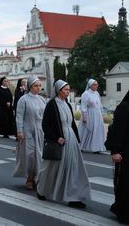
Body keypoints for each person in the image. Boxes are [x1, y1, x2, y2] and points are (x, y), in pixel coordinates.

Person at [37, 80, 90, 208]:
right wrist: (56, 138)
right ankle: (41, 190)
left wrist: (76, 139)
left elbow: (71, 123)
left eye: (68, 89)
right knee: (51, 167)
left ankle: (73, 196)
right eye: (66, 89)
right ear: (59, 90)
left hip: (70, 139)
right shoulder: (51, 105)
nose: (68, 91)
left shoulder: (67, 104)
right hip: (58, 141)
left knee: (73, 168)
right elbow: (45, 125)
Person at [14, 76, 46, 190]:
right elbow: (19, 116)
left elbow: (45, 117)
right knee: (30, 156)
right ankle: (29, 178)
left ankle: (37, 177)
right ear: (30, 87)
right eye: (36, 86)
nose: (38, 88)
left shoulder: (42, 100)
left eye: (39, 86)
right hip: (28, 131)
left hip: (40, 131)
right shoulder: (24, 100)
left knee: (39, 155)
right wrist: (20, 131)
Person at [105, 91, 129, 224]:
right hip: (125, 152)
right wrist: (115, 151)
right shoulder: (124, 107)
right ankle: (123, 212)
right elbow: (117, 131)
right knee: (124, 183)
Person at [78, 79, 106, 153]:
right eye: (94, 84)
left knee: (97, 131)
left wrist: (101, 114)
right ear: (90, 85)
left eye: (97, 84)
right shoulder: (86, 94)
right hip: (89, 114)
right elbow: (83, 106)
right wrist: (84, 117)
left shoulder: (97, 93)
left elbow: (99, 105)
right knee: (87, 131)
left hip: (97, 115)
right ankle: (81, 146)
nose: (96, 86)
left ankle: (96, 148)